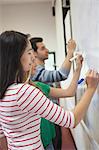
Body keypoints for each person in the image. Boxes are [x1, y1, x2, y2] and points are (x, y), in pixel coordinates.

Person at [0, 31, 99, 150]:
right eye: (29, 52)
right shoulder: (23, 92)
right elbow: (71, 120)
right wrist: (91, 88)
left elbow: (2, 136)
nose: (33, 57)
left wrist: (78, 69)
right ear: (17, 57)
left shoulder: (7, 90)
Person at [30, 37, 76, 150]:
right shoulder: (35, 75)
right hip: (47, 119)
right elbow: (62, 75)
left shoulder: (39, 73)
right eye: (42, 48)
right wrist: (70, 51)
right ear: (34, 54)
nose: (47, 50)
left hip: (51, 117)